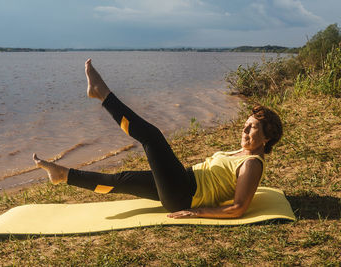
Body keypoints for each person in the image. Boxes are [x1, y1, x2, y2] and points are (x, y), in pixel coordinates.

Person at [33, 59, 283, 219]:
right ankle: (63, 175)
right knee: (122, 180)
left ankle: (101, 93)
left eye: (252, 129)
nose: (245, 132)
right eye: (245, 126)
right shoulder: (242, 154)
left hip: (184, 194)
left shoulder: (251, 164)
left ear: (267, 138)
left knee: (151, 137)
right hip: (182, 183)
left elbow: (238, 207)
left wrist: (195, 213)